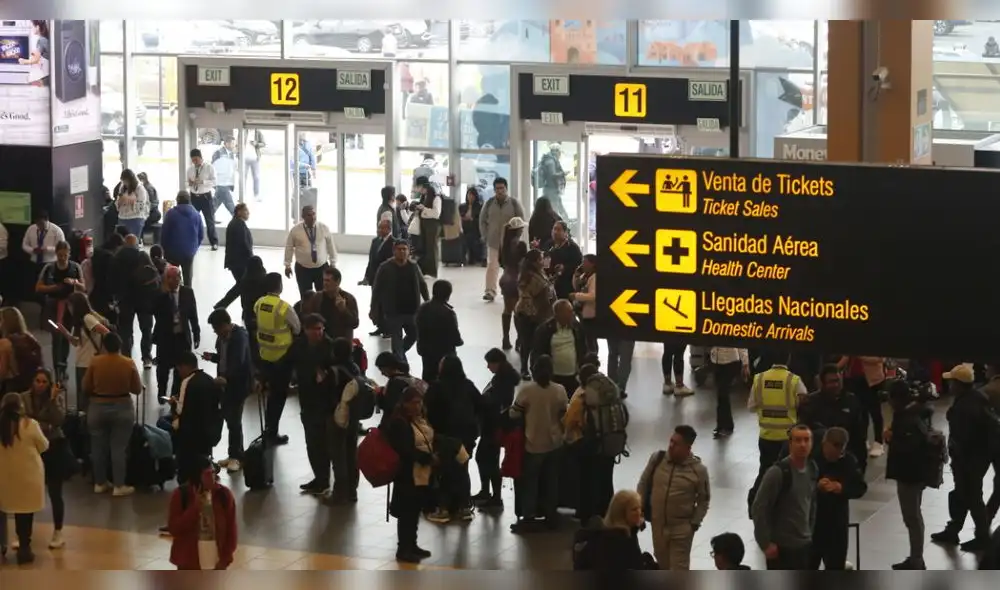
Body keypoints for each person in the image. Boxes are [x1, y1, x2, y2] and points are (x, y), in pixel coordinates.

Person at [930, 363, 993, 552]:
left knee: (972, 497)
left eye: (952, 382)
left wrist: (957, 458)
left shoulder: (966, 406)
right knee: (963, 494)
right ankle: (954, 529)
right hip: (979, 457)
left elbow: (964, 438)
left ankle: (982, 537)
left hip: (970, 460)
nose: (949, 385)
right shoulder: (976, 397)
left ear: (959, 384)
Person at [636, 424, 710, 570]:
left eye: (676, 444)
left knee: (678, 569)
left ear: (687, 448)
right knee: (663, 565)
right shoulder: (657, 459)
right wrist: (639, 510)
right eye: (671, 441)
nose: (671, 446)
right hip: (658, 525)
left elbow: (704, 499)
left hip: (681, 528)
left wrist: (694, 523)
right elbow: (643, 484)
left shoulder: (698, 471)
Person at [509, 355, 568, 533]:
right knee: (551, 481)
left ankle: (529, 517)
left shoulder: (527, 391)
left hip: (533, 443)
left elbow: (514, 414)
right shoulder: (559, 390)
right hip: (555, 442)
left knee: (530, 482)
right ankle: (551, 515)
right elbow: (564, 414)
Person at [16, 369, 71, 551]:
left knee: (55, 492)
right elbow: (23, 421)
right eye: (37, 381)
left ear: (49, 384)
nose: (40, 385)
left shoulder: (56, 398)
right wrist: (42, 424)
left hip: (53, 447)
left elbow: (59, 420)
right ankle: (23, 535)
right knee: (26, 492)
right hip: (31, 449)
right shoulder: (22, 398)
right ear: (32, 382)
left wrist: (51, 400)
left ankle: (58, 531)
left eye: (44, 382)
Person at [82, 333, 142, 497]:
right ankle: (119, 485)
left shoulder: (95, 362)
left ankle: (100, 483)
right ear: (120, 345)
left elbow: (85, 386)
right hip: (122, 407)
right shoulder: (128, 363)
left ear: (104, 346)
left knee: (97, 447)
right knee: (118, 448)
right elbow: (137, 389)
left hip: (97, 406)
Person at [751, 424, 818, 570]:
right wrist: (765, 543)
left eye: (807, 440)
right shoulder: (778, 472)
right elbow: (759, 507)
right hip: (782, 548)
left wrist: (809, 531)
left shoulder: (812, 469)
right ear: (790, 443)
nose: (803, 444)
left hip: (804, 544)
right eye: (798, 440)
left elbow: (811, 502)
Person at [424, 355, 481, 523]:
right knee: (462, 470)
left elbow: (428, 410)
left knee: (444, 472)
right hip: (467, 436)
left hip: (445, 437)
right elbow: (481, 404)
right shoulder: (468, 385)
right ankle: (464, 508)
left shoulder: (436, 387)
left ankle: (444, 509)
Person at [746, 356, 807, 511]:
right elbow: (804, 401)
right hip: (787, 437)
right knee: (788, 473)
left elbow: (751, 406)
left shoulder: (759, 378)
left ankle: (756, 501)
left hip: (766, 435)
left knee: (765, 469)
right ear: (788, 359)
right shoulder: (794, 380)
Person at [564, 364, 622, 522]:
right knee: (606, 479)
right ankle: (607, 511)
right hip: (609, 441)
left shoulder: (581, 399)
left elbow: (568, 422)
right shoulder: (607, 394)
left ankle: (586, 513)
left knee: (587, 480)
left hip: (589, 444)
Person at [384, 387, 436, 563]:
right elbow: (406, 451)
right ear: (405, 403)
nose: (418, 405)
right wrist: (427, 458)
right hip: (406, 475)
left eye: (420, 402)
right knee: (407, 512)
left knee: (414, 511)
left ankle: (412, 545)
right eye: (414, 402)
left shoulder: (415, 420)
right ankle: (403, 549)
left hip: (418, 473)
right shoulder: (400, 423)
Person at [289, 314, 339, 496]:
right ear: (306, 330)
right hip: (307, 400)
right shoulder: (299, 345)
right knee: (312, 443)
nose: (318, 333)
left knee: (326, 443)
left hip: (326, 403)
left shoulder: (330, 346)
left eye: (320, 329)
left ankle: (327, 479)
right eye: (314, 329)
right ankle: (320, 478)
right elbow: (289, 364)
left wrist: (326, 375)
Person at [885, 380, 933, 569]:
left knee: (912, 517)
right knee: (914, 516)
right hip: (915, 473)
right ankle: (915, 557)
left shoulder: (907, 419)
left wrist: (891, 439)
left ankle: (916, 559)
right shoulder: (914, 413)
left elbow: (909, 449)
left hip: (909, 475)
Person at [0, 392, 49, 564]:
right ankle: (24, 549)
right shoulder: (30, 424)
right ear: (21, 406)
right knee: (25, 514)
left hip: (4, 477)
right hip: (28, 476)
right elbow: (44, 445)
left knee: (3, 511)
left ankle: (2, 547)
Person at [809, 427, 867, 570]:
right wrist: (816, 486)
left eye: (839, 452)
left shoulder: (848, 461)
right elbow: (797, 486)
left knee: (835, 566)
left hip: (836, 523)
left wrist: (842, 488)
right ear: (824, 444)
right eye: (831, 452)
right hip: (812, 522)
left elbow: (860, 488)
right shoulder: (811, 459)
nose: (835, 456)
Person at [167, 454, 238, 570]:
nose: (213, 478)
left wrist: (225, 558)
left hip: (217, 563)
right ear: (197, 476)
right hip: (188, 565)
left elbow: (231, 531)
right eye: (207, 474)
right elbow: (174, 528)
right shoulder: (181, 495)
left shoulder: (224, 495)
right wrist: (195, 509)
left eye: (214, 473)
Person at [254, 272, 300, 445]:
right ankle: (271, 432)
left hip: (265, 354)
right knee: (278, 397)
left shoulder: (259, 303)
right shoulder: (283, 307)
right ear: (279, 286)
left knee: (270, 394)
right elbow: (297, 327)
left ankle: (269, 429)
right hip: (282, 357)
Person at [203, 309, 252, 473]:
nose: (215, 332)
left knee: (234, 421)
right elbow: (224, 358)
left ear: (225, 325)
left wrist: (227, 378)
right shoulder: (222, 338)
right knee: (230, 420)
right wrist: (213, 357)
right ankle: (233, 454)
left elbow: (238, 363)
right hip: (225, 385)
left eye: (216, 328)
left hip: (237, 386)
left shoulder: (239, 338)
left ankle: (238, 457)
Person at [797, 364, 870, 473]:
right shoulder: (811, 403)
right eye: (831, 381)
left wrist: (861, 464)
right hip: (819, 463)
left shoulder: (852, 401)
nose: (836, 385)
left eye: (838, 381)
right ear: (823, 383)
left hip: (845, 460)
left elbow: (859, 435)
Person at [473, 348, 519, 509]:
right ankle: (488, 492)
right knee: (486, 459)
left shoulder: (503, 382)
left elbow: (495, 402)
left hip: (494, 426)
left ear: (497, 363)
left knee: (488, 460)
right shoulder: (503, 378)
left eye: (490, 363)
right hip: (493, 425)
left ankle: (494, 495)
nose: (488, 367)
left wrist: (481, 401)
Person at [370, 240, 429, 361]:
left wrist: (428, 303)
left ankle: (399, 354)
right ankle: (400, 362)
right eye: (399, 249)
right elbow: (377, 289)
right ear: (394, 251)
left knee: (414, 334)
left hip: (412, 310)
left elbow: (422, 285)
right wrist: (373, 308)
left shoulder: (413, 266)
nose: (402, 252)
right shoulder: (385, 268)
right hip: (393, 311)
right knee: (396, 339)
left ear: (408, 251)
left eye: (404, 249)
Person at [168, 352, 221, 485]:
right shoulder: (210, 380)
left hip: (191, 436)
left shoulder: (187, 382)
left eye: (179, 369)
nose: (179, 373)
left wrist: (173, 403)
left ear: (185, 367)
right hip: (210, 432)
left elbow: (181, 410)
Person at [35, 240, 84, 380]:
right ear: (56, 254)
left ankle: (63, 365)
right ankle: (57, 369)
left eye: (65, 255)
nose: (62, 258)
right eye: (60, 255)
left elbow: (84, 286)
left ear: (69, 254)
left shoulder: (75, 267)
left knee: (66, 336)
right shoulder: (49, 268)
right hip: (52, 308)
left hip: (69, 308)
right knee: (56, 337)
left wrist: (74, 282)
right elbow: (38, 287)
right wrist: (54, 288)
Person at [152, 266, 200, 405]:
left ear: (180, 278)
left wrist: (196, 332)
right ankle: (161, 392)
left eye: (176, 277)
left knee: (181, 367)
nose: (174, 280)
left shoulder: (187, 292)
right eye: (170, 278)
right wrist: (164, 294)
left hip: (182, 336)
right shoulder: (159, 294)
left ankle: (176, 395)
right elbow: (152, 310)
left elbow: (193, 314)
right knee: (163, 368)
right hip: (165, 337)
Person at [576, 490, 654, 570]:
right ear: (621, 513)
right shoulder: (618, 541)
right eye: (634, 509)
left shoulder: (616, 532)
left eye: (640, 508)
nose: (639, 512)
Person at [112, 234, 158, 365]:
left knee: (125, 331)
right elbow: (154, 275)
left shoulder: (117, 258)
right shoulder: (142, 256)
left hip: (125, 300)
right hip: (144, 299)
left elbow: (111, 280)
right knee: (146, 329)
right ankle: (146, 357)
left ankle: (127, 359)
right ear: (136, 244)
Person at [329, 337, 363, 504]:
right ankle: (352, 491)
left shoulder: (333, 371)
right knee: (351, 453)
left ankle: (339, 492)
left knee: (338, 456)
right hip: (354, 417)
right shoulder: (355, 367)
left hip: (338, 417)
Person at [66, 292, 112, 412]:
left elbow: (106, 331)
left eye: (70, 306)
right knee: (83, 396)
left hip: (88, 362)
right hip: (81, 361)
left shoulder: (88, 318)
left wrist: (103, 349)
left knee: (86, 396)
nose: (69, 309)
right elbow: (77, 343)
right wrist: (67, 335)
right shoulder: (80, 321)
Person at [480, 177, 524, 302]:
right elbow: (482, 220)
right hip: (493, 241)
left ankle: (509, 290)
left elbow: (521, 221)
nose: (500, 191)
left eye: (502, 188)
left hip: (509, 242)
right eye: (497, 188)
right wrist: (485, 235)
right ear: (494, 190)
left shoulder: (514, 203)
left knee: (510, 267)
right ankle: (490, 291)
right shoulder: (489, 204)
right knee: (492, 266)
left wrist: (517, 237)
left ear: (506, 188)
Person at [532, 299, 586, 397]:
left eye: (572, 311)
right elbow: (537, 353)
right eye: (568, 312)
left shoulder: (577, 327)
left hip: (573, 377)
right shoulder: (544, 330)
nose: (572, 314)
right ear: (558, 314)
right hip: (554, 378)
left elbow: (583, 348)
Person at [284, 205, 338, 300]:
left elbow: (331, 246)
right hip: (303, 269)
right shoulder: (296, 230)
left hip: (321, 268)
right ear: (303, 216)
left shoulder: (323, 228)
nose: (312, 217)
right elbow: (289, 247)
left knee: (323, 296)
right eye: (309, 215)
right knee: (306, 297)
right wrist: (287, 265)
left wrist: (333, 264)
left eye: (314, 214)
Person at [514, 249, 553, 380]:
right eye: (541, 259)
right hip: (528, 315)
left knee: (537, 343)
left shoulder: (539, 273)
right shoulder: (527, 276)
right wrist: (533, 314)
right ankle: (524, 368)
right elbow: (525, 296)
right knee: (527, 343)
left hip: (541, 313)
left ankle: (534, 367)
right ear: (535, 262)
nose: (543, 261)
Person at [837, 355, 887, 458]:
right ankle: (863, 438)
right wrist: (835, 368)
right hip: (853, 379)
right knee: (860, 410)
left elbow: (880, 358)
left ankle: (878, 442)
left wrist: (861, 356)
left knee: (874, 410)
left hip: (872, 381)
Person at [415, 280, 463, 383]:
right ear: (448, 295)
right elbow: (455, 336)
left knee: (428, 376)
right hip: (444, 352)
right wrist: (459, 342)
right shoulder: (449, 313)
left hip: (426, 350)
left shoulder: (423, 308)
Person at [302, 266, 359, 342]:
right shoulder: (317, 297)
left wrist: (344, 310)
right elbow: (310, 319)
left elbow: (355, 323)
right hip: (321, 342)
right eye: (324, 280)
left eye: (328, 280)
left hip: (340, 344)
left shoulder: (349, 299)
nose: (325, 283)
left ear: (337, 282)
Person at [160, 191, 205, 287]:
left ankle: (173, 298)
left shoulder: (170, 214)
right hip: (189, 252)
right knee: (188, 279)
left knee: (171, 278)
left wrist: (164, 249)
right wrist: (194, 248)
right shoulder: (197, 215)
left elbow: (164, 233)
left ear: (177, 200)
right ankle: (187, 297)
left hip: (172, 252)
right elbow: (201, 235)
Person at [498, 216, 527, 350]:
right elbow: (524, 263)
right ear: (519, 230)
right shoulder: (521, 245)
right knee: (518, 311)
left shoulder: (503, 244)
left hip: (505, 278)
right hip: (517, 279)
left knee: (507, 309)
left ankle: (505, 338)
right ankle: (520, 339)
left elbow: (501, 262)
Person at [0, 307, 43, 395]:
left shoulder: (5, 343)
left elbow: (2, 372)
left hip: (11, 387)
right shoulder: (31, 339)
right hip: (30, 386)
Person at [186, 148, 219, 251]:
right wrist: (189, 183)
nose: (195, 162)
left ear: (201, 158)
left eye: (196, 159)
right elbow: (186, 182)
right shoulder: (190, 169)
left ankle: (214, 243)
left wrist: (202, 182)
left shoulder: (209, 167)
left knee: (210, 221)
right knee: (193, 221)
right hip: (194, 196)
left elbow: (214, 182)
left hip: (205, 197)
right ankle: (193, 242)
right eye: (193, 160)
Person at [543, 221, 582, 301]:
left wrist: (565, 267)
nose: (555, 232)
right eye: (554, 229)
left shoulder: (572, 247)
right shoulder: (548, 244)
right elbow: (544, 260)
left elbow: (579, 264)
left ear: (565, 232)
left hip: (566, 284)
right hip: (549, 283)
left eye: (558, 229)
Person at [568, 254, 597, 353]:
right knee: (585, 338)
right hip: (580, 311)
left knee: (590, 339)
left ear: (592, 264)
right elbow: (576, 286)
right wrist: (576, 275)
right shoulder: (584, 275)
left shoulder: (594, 277)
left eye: (585, 262)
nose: (582, 264)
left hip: (590, 313)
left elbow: (593, 296)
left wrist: (576, 296)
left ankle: (592, 359)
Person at [415, 183, 443, 278]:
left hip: (433, 226)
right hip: (425, 225)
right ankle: (425, 270)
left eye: (421, 187)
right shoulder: (424, 198)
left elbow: (436, 213)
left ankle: (433, 271)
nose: (420, 190)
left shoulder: (436, 198)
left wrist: (424, 209)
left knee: (432, 248)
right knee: (425, 247)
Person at [224, 203, 254, 284]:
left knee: (240, 285)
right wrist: (252, 259)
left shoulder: (236, 223)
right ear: (239, 212)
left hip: (236, 262)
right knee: (242, 285)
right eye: (246, 210)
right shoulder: (238, 225)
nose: (248, 213)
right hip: (239, 263)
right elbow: (244, 243)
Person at [115, 169, 150, 238]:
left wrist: (131, 201)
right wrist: (120, 201)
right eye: (123, 181)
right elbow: (117, 203)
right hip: (122, 218)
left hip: (135, 218)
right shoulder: (122, 187)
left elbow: (141, 207)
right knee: (121, 242)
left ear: (131, 179)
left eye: (126, 181)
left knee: (133, 241)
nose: (125, 183)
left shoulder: (140, 189)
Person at [362, 219, 395, 288]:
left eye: (382, 228)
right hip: (374, 279)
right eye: (378, 227)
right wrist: (367, 275)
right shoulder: (375, 241)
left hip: (387, 280)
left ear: (389, 229)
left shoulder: (394, 243)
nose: (379, 230)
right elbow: (371, 260)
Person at [211, 136, 238, 219]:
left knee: (217, 201)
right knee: (229, 202)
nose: (234, 145)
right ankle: (237, 218)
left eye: (234, 143)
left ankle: (210, 217)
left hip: (226, 182)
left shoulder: (231, 154)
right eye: (232, 143)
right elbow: (214, 167)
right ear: (226, 143)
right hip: (221, 182)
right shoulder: (218, 153)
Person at [460, 186, 485, 266]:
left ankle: (474, 258)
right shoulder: (462, 206)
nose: (470, 197)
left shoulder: (479, 207)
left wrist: (472, 219)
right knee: (464, 237)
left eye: (472, 195)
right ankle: (463, 258)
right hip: (464, 228)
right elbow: (459, 216)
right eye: (469, 195)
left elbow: (480, 219)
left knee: (472, 237)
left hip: (475, 229)